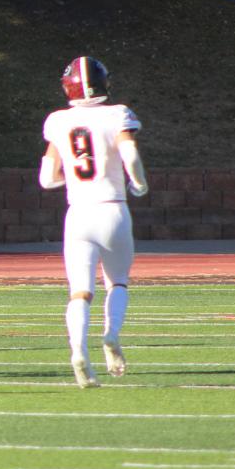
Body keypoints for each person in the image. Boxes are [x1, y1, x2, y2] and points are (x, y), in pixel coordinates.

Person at [39, 56, 147, 389]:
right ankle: (111, 335)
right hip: (113, 208)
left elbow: (46, 179)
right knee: (117, 283)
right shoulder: (117, 114)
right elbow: (129, 155)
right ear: (103, 83)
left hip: (79, 213)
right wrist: (140, 184)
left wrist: (71, 179)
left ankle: (77, 350)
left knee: (80, 292)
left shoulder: (58, 121)